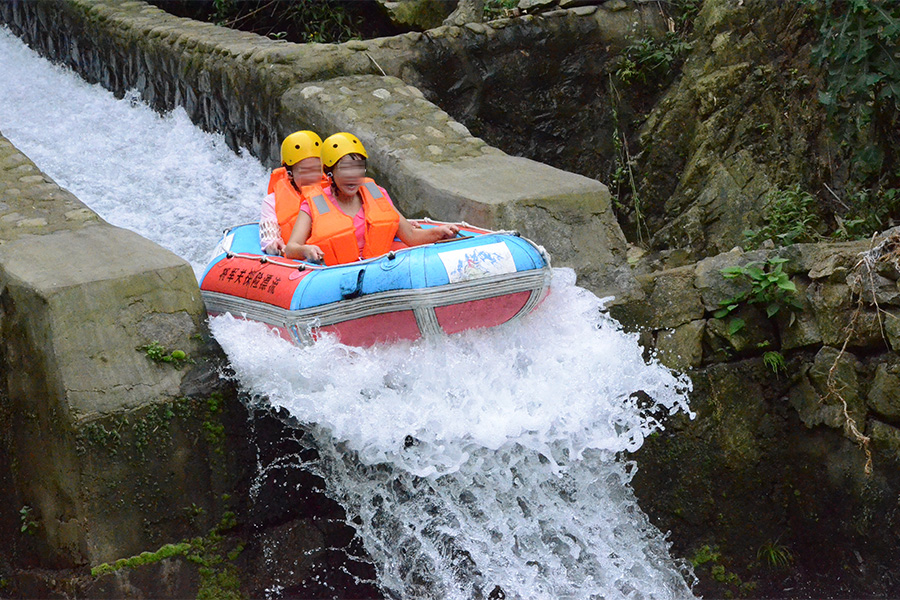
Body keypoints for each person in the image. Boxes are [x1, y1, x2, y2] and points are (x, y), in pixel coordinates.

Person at [284, 132, 459, 265]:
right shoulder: (314, 204)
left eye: (358, 168)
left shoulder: (377, 194)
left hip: (378, 268)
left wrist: (439, 232)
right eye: (345, 169)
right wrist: (306, 250)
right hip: (334, 275)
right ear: (330, 172)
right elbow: (291, 248)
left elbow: (411, 236)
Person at [258, 130, 327, 255]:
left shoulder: (332, 192)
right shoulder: (272, 201)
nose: (312, 177)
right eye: (304, 171)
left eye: (316, 169)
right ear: (290, 174)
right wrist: (273, 245)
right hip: (298, 261)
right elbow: (269, 234)